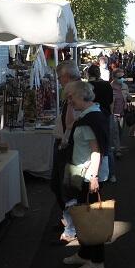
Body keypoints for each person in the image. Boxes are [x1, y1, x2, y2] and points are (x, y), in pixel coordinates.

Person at [61, 80, 110, 268]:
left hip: (88, 176)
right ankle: (84, 253)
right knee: (83, 216)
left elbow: (96, 152)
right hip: (81, 174)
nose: (69, 100)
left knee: (91, 219)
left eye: (71, 96)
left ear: (82, 95)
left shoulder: (91, 119)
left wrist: (94, 177)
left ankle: (96, 261)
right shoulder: (88, 115)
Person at [53, 60, 83, 244]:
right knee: (58, 186)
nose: (58, 80)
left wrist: (65, 140)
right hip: (65, 145)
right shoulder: (72, 91)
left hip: (69, 147)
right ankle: (68, 221)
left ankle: (71, 227)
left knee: (66, 188)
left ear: (69, 76)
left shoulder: (77, 92)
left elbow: (73, 122)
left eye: (60, 77)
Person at [110, 69, 129, 159]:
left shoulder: (125, 86)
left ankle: (118, 146)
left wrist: (129, 98)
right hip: (113, 112)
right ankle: (118, 150)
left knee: (121, 131)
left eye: (123, 77)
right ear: (114, 77)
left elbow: (128, 96)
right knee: (115, 132)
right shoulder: (110, 87)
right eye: (120, 77)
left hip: (122, 112)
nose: (122, 79)